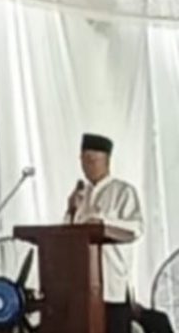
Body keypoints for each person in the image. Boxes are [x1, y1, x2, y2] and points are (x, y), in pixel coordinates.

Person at [65, 133, 143, 333]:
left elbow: (136, 228)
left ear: (107, 161)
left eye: (93, 160)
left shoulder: (123, 192)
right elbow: (66, 237)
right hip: (82, 289)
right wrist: (71, 210)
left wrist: (103, 223)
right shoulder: (80, 195)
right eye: (84, 160)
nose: (87, 165)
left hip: (112, 286)